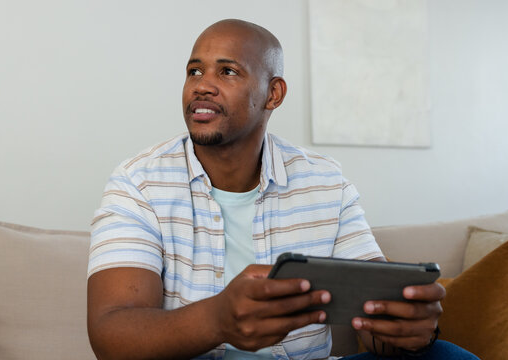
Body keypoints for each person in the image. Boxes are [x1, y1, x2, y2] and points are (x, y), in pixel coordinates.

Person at [87, 19, 478, 360]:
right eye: (194, 71)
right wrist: (218, 319)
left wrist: (405, 330)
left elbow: (372, 321)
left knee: (445, 356)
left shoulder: (326, 182)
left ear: (273, 93)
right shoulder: (137, 182)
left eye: (227, 72)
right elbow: (111, 336)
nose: (202, 86)